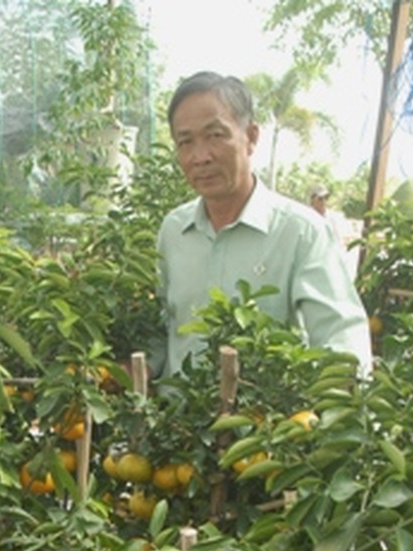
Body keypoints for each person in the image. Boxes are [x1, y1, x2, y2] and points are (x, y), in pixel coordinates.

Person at [155, 72, 372, 380]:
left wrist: (335, 412)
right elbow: (162, 327)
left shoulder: (301, 233)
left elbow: (341, 342)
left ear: (252, 137)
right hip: (176, 424)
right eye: (185, 142)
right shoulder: (173, 231)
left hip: (265, 424)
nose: (200, 157)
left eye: (216, 136)